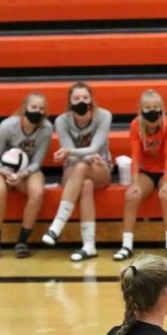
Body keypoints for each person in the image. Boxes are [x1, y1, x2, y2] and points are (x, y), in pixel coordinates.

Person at [42, 82, 112, 262]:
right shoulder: (61, 121)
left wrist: (77, 154)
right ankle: (89, 246)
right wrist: (83, 156)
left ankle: (57, 225)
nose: (81, 101)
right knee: (85, 183)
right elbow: (71, 156)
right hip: (73, 168)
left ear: (91, 100)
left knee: (83, 169)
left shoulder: (104, 116)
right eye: (77, 98)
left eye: (85, 98)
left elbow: (95, 147)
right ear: (69, 102)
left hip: (100, 167)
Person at [114, 90, 167, 262]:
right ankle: (126, 245)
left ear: (162, 109)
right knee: (131, 197)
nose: (152, 111)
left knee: (166, 195)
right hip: (147, 171)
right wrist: (135, 183)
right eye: (147, 107)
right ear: (140, 109)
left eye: (155, 107)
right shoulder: (136, 125)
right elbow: (135, 156)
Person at [0, 93, 53, 260]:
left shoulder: (47, 128)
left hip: (27, 171)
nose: (38, 111)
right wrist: (4, 171)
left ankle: (22, 241)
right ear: (25, 108)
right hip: (1, 169)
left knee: (37, 192)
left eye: (41, 109)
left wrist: (23, 174)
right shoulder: (7, 126)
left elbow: (37, 161)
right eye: (34, 107)